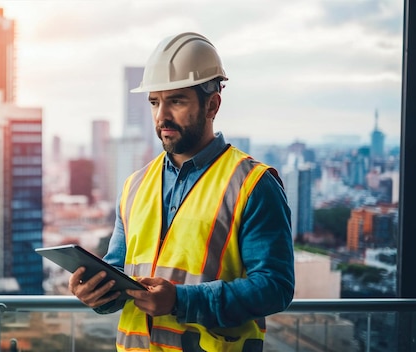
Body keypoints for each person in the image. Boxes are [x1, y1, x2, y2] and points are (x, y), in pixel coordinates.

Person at [69, 32, 295, 352]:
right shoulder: (135, 186)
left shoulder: (253, 185)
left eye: (176, 100)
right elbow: (119, 273)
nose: (162, 116)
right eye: (154, 102)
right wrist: (97, 294)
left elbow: (275, 288)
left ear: (212, 105)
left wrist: (179, 300)